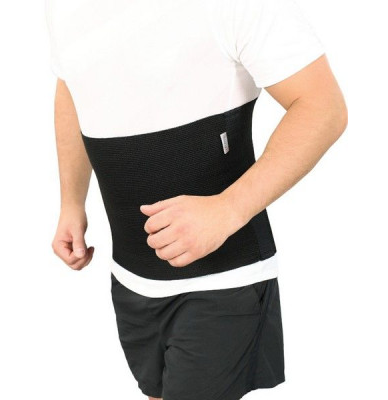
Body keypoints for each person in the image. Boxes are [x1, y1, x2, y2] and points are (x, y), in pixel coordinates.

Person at [45, 0, 347, 399]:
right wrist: (71, 202)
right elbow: (72, 86)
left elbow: (323, 107)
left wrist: (228, 208)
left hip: (222, 279)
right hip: (132, 277)